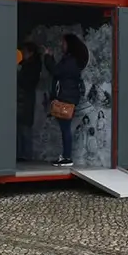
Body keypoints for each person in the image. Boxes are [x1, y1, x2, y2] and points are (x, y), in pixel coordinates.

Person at [43, 33, 89, 167]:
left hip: (66, 98)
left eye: (63, 43)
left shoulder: (71, 61)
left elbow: (56, 71)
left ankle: (67, 157)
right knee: (65, 128)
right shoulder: (72, 60)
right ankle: (65, 156)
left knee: (65, 128)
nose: (61, 45)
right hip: (68, 97)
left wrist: (47, 56)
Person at [16, 42, 42, 162]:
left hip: (25, 99)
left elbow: (27, 82)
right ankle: (22, 154)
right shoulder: (28, 64)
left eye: (25, 51)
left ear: (30, 52)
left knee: (25, 129)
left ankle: (25, 155)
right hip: (23, 99)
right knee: (21, 129)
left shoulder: (32, 66)